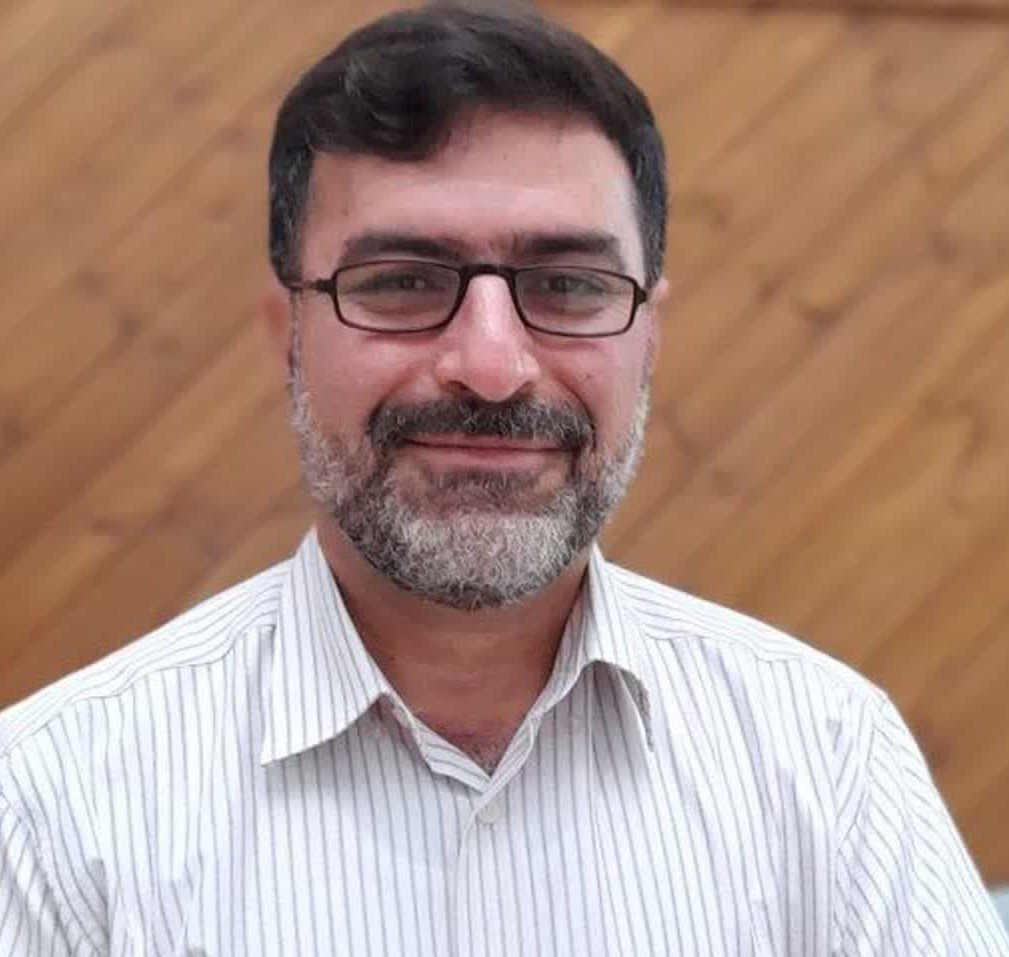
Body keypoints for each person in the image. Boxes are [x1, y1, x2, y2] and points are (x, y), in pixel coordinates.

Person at [2, 3, 1007, 955]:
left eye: (567, 285)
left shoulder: (829, 763)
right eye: (402, 282)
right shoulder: (52, 807)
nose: (490, 365)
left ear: (648, 338)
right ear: (288, 333)